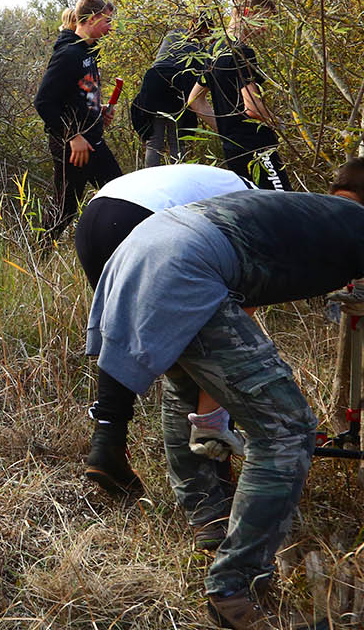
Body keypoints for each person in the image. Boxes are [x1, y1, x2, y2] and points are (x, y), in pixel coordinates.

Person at [87, 157, 364, 628]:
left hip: (140, 249)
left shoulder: (296, 206)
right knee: (287, 429)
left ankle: (209, 523)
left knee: (187, 387)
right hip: (186, 266)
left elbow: (248, 278)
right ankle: (234, 588)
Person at [75, 163, 252, 511]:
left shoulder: (226, 183)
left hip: (96, 215)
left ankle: (107, 443)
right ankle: (211, 475)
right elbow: (242, 311)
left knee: (125, 331)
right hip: (145, 220)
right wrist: (213, 412)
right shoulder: (261, 208)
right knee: (201, 353)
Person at [33, 0, 123, 238]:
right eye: (107, 21)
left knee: (120, 193)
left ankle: (113, 248)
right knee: (66, 208)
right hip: (72, 147)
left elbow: (78, 93)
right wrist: (73, 135)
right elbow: (44, 102)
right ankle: (38, 256)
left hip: (93, 141)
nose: (110, 28)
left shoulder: (89, 52)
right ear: (92, 19)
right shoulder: (68, 54)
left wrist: (96, 109)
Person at [196, 0, 289, 189]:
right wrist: (280, 125)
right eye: (264, 20)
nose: (265, 28)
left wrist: (225, 131)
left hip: (232, 149)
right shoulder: (242, 52)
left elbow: (194, 100)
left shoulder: (214, 50)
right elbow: (253, 108)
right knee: (281, 202)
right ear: (246, 13)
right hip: (257, 147)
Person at [129, 14, 217, 166]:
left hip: (154, 83)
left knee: (154, 141)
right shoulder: (200, 49)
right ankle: (177, 179)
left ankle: (151, 183)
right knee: (176, 139)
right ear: (206, 30)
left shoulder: (173, 34)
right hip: (175, 84)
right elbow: (200, 79)